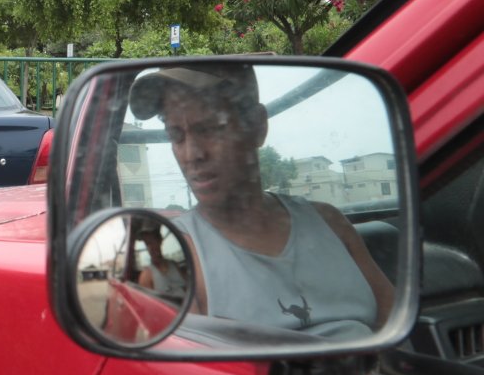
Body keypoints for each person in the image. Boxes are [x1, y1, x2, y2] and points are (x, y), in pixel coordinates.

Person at [128, 64, 394, 338]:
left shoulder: (330, 223)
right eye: (176, 136)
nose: (191, 154)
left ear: (257, 126)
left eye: (209, 129)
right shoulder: (180, 252)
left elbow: (396, 332)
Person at [135, 225, 188, 299]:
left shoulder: (174, 264)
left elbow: (188, 286)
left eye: (153, 241)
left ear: (160, 240)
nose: (150, 248)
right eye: (147, 244)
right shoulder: (146, 276)